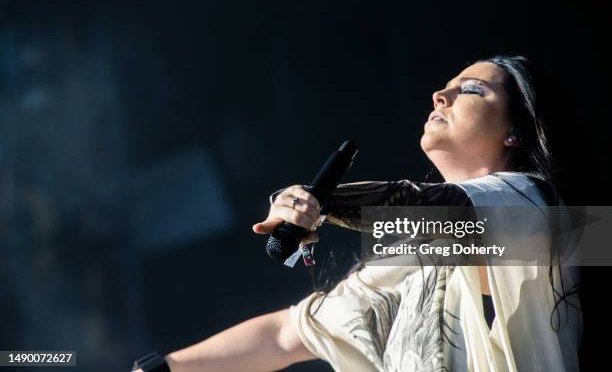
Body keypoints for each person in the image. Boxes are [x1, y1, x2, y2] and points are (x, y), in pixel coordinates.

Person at [132, 55, 582, 372]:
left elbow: (436, 209)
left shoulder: (542, 210)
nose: (439, 95)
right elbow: (283, 336)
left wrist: (318, 202)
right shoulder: (404, 270)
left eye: (470, 90)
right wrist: (161, 368)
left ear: (516, 134)